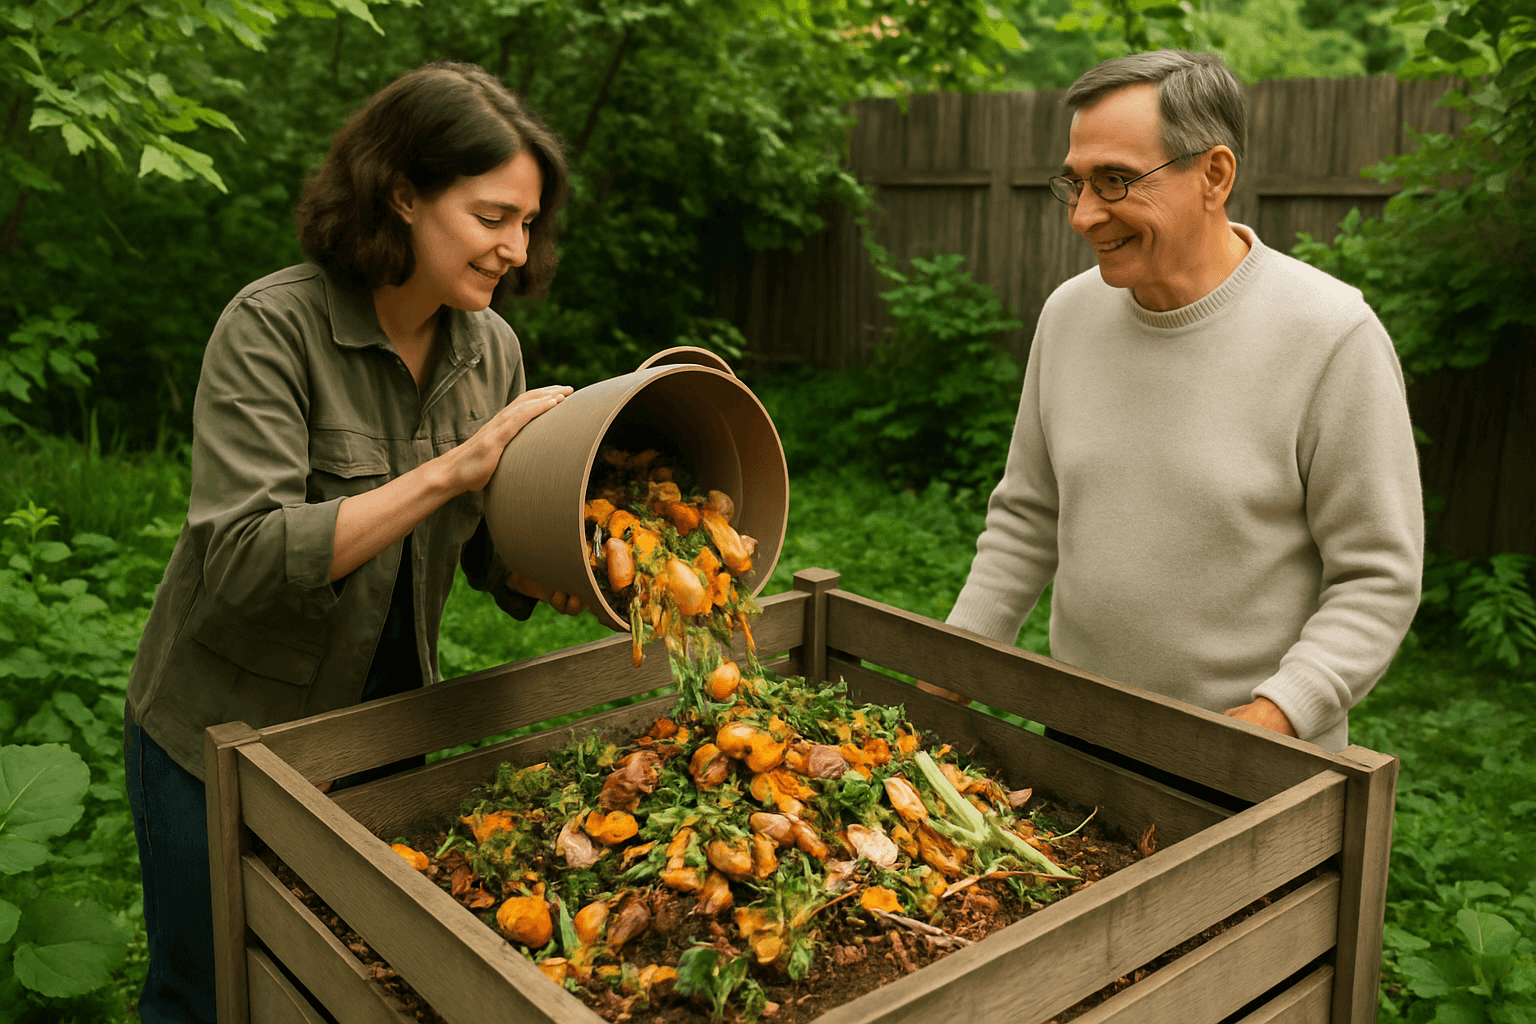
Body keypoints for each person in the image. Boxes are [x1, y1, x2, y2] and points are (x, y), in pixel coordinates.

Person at [123, 62, 582, 1024]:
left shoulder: (490, 348)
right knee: (208, 993)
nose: (515, 248)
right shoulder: (271, 327)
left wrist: (567, 562)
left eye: (528, 223)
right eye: (492, 216)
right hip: (223, 735)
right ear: (404, 195)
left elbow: (488, 545)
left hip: (383, 733)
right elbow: (245, 558)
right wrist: (450, 470)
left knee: (344, 985)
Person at [935, 50, 1423, 753]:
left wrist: (1279, 715)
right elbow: (1028, 516)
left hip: (1252, 760)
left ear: (1214, 175)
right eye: (1075, 183)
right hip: (1080, 737)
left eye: (1116, 180)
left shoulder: (1331, 335)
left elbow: (1377, 575)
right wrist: (954, 663)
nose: (1084, 215)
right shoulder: (1069, 315)